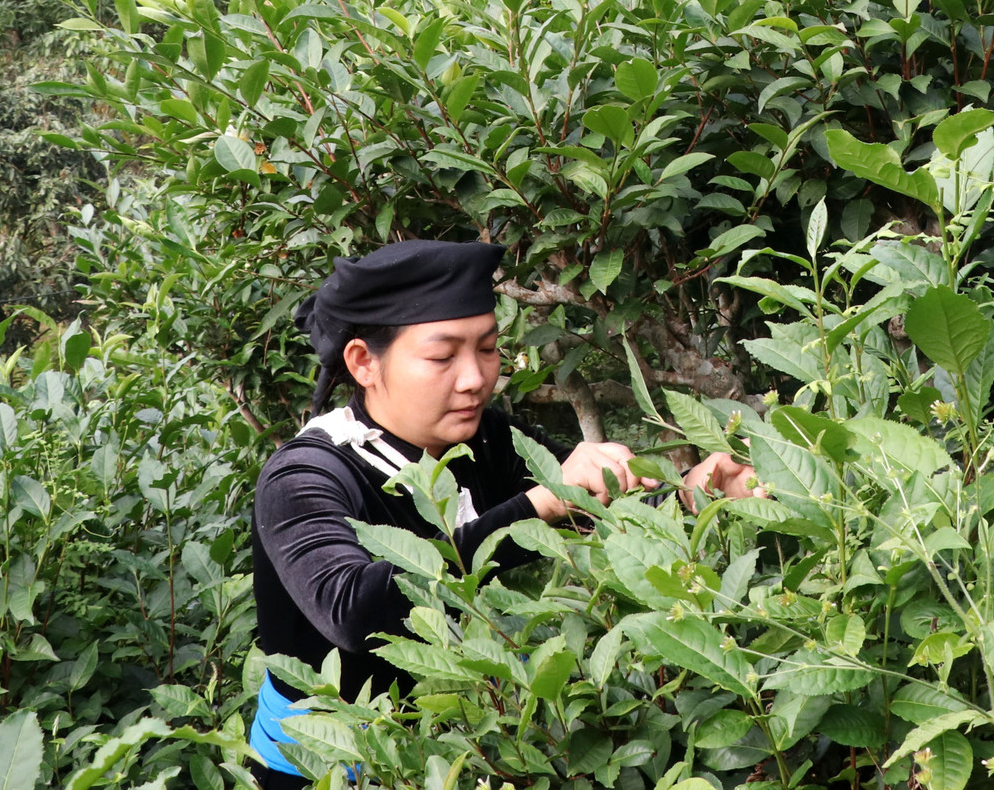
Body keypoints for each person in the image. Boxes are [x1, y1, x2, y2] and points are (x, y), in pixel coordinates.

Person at [249, 240, 757, 788]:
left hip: (461, 744)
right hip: (321, 764)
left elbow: (594, 513)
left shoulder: (487, 436)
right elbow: (351, 611)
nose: (474, 378)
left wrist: (694, 498)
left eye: (487, 349)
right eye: (443, 357)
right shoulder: (305, 477)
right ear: (364, 362)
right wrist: (534, 510)